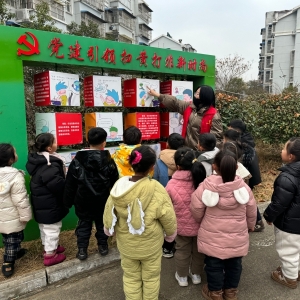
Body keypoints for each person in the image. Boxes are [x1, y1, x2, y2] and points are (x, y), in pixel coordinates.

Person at [103, 145, 177, 300]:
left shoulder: (119, 188)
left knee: (130, 277)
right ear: (152, 167)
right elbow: (168, 216)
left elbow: (109, 212)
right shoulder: (156, 188)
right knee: (151, 278)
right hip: (150, 246)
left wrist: (109, 230)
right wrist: (170, 235)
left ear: (131, 163)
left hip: (127, 245)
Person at [190, 150, 257, 300]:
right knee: (235, 264)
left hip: (212, 235)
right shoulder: (244, 188)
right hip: (237, 235)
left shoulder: (206, 186)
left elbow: (196, 208)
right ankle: (231, 292)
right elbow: (252, 209)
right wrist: (250, 225)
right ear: (236, 167)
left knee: (213, 264)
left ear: (214, 167)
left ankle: (215, 292)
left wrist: (201, 221)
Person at [63, 127, 119, 260]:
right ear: (104, 142)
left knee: (84, 225)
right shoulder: (109, 162)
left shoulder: (76, 161)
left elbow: (70, 184)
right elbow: (115, 183)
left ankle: (82, 250)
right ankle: (103, 246)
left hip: (83, 201)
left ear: (88, 141)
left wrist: (67, 202)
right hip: (103, 201)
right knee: (102, 224)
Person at [166, 147, 206, 287]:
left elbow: (167, 207)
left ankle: (182, 277)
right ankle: (196, 275)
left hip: (181, 227)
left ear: (177, 166)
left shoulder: (171, 185)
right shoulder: (202, 180)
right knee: (198, 251)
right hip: (201, 225)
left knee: (182, 251)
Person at [263, 137, 300, 289]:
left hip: (290, 224)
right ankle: (295, 270)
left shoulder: (287, 177)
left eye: (284, 149)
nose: (281, 151)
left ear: (291, 156)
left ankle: (289, 277)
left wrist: (269, 216)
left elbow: (279, 203)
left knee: (288, 250)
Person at [26, 133, 68, 266]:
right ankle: (50, 255)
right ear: (49, 148)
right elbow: (56, 184)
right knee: (52, 228)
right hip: (50, 203)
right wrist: (67, 188)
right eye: (54, 141)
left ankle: (48, 247)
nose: (57, 143)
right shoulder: (49, 164)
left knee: (45, 227)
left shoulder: (38, 160)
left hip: (41, 203)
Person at [147, 85, 223, 150]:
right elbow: (175, 102)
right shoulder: (189, 107)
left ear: (205, 97)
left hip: (201, 153)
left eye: (198, 94)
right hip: (186, 150)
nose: (195, 95)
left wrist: (207, 155)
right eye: (195, 93)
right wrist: (158, 95)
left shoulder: (213, 115)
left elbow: (216, 139)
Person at [224, 126, 265, 232]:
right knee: (247, 199)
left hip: (239, 176)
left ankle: (257, 221)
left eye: (223, 138)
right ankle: (257, 221)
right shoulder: (241, 145)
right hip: (245, 175)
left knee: (245, 200)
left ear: (227, 138)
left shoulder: (230, 147)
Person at [0, 144, 32, 277]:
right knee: (13, 239)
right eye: (15, 152)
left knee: (8, 237)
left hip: (3, 217)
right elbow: (20, 199)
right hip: (12, 215)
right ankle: (8, 262)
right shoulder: (15, 176)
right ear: (11, 159)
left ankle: (16, 251)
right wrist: (25, 216)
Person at [153, 133, 185, 259]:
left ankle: (167, 247)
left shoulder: (159, 161)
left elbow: (155, 180)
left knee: (166, 221)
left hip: (164, 195)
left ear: (167, 144)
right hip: (182, 196)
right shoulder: (186, 159)